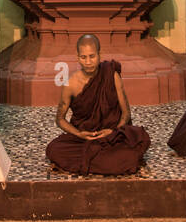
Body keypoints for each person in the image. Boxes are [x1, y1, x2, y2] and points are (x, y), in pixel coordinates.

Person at [45, 34, 150, 175]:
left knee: (135, 145)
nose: (88, 62)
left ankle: (90, 162)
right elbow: (60, 119)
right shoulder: (71, 84)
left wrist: (112, 131)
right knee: (54, 149)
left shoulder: (111, 75)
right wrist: (79, 134)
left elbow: (126, 114)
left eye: (92, 56)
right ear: (78, 57)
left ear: (99, 55)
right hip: (84, 138)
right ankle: (103, 162)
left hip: (111, 137)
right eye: (83, 57)